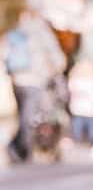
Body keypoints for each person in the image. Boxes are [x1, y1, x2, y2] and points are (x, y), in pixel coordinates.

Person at [3, 9, 66, 163]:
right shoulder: (42, 34)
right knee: (30, 116)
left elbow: (4, 54)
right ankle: (20, 147)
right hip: (36, 80)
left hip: (18, 80)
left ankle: (21, 148)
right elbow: (58, 60)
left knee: (24, 114)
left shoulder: (15, 34)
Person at [67, 58, 93, 153]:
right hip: (89, 109)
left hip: (77, 108)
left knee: (77, 125)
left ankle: (76, 140)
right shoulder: (92, 82)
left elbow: (71, 91)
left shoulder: (74, 81)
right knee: (92, 126)